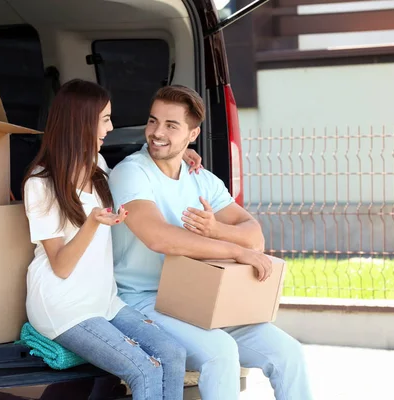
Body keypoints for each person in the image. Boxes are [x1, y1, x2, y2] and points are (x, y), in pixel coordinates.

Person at [108, 85, 314, 400]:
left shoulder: (201, 179)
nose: (157, 132)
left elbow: (253, 234)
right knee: (220, 352)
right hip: (143, 301)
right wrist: (236, 251)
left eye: (171, 125)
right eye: (153, 121)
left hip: (198, 299)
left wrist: (217, 229)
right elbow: (158, 237)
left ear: (193, 134)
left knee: (288, 353)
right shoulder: (131, 173)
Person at [22, 79, 203, 400]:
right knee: (144, 368)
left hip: (103, 300)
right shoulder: (40, 183)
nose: (110, 126)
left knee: (172, 354)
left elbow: (140, 165)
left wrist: (181, 150)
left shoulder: (97, 166)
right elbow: (61, 266)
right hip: (64, 308)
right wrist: (91, 223)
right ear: (82, 122)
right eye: (105, 119)